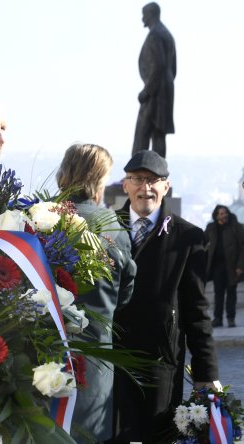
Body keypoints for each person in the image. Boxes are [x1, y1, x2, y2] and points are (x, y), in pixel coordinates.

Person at [113, 150, 219, 442]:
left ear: (166, 186)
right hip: (110, 360)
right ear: (125, 184)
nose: (144, 187)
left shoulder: (189, 237)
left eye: (153, 180)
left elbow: (198, 310)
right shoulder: (104, 230)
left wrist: (205, 373)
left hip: (160, 364)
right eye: (137, 179)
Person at [55, 143, 136, 443]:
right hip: (93, 359)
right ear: (98, 180)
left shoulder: (39, 215)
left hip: (42, 355)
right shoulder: (112, 226)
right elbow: (124, 293)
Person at [132, 2, 176, 158]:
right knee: (159, 133)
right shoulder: (167, 35)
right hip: (166, 89)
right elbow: (173, 69)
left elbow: (160, 64)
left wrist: (147, 91)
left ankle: (136, 172)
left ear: (151, 14)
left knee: (143, 131)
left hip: (155, 91)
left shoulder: (155, 35)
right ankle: (158, 172)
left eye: (144, 15)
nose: (142, 19)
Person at [205, 205, 244, 328]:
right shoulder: (211, 228)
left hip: (232, 266)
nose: (224, 215)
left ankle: (231, 318)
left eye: (225, 212)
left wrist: (240, 266)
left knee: (231, 292)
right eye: (221, 213)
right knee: (218, 293)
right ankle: (218, 318)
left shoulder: (237, 227)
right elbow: (203, 243)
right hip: (217, 266)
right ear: (216, 216)